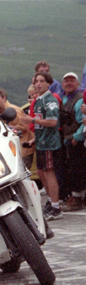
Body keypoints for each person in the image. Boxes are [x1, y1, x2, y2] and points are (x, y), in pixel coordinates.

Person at [21, 72, 63, 220]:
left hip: (49, 143)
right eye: (36, 81)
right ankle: (51, 201)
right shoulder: (38, 100)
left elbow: (52, 122)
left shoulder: (50, 100)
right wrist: (33, 140)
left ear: (48, 84)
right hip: (40, 142)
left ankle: (56, 207)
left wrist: (32, 120)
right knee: (41, 172)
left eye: (41, 81)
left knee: (49, 173)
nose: (38, 84)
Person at [58, 73, 85, 211]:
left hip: (75, 140)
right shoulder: (64, 99)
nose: (69, 83)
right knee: (72, 169)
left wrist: (77, 137)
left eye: (72, 81)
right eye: (66, 81)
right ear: (62, 85)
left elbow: (83, 121)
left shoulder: (79, 99)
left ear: (77, 83)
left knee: (77, 170)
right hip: (68, 139)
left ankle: (77, 199)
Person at [0, 88, 36, 169]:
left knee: (23, 175)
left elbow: (25, 127)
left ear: (4, 98)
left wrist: (6, 128)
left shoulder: (13, 110)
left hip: (23, 149)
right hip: (13, 150)